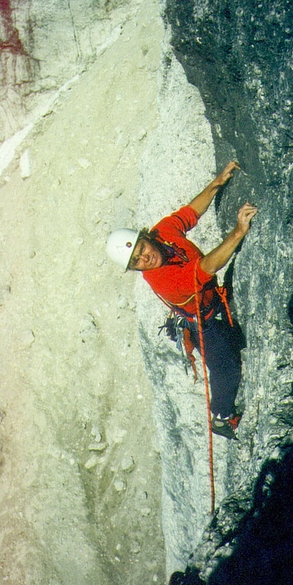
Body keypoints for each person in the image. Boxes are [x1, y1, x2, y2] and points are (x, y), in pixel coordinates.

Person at [106, 161, 258, 439]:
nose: (144, 258)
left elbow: (189, 213)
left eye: (141, 249)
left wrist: (217, 183)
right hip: (204, 325)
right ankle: (222, 417)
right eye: (137, 261)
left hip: (211, 305)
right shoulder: (163, 281)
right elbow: (207, 268)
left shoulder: (163, 233)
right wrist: (238, 231)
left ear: (145, 237)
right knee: (226, 368)